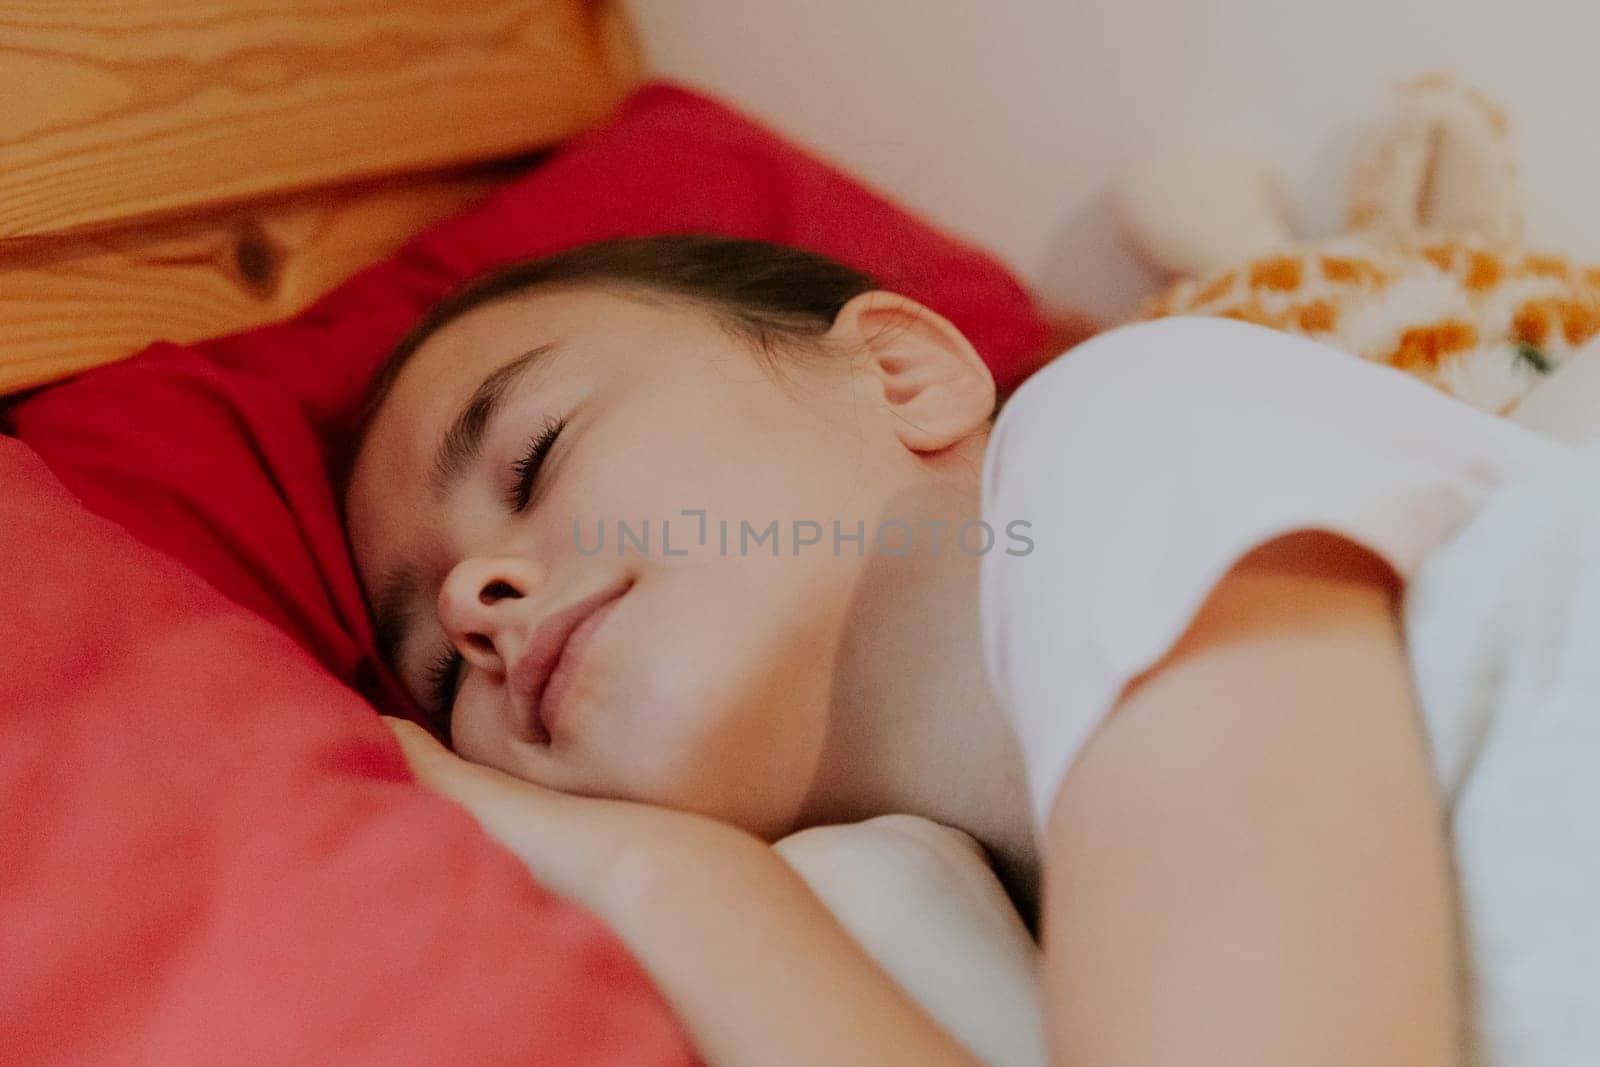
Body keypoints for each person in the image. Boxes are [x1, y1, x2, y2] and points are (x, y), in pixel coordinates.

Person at [342, 235, 1555, 1065]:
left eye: (533, 453)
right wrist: (677, 886)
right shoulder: (883, 907)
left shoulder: (1119, 435)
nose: (471, 601)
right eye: (440, 674)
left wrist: (683, 892)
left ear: (898, 371)